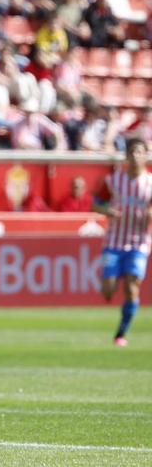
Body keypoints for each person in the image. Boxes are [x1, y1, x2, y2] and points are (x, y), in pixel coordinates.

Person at [92, 138, 152, 347]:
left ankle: (121, 333)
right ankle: (113, 279)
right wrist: (106, 211)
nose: (136, 156)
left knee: (132, 284)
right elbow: (96, 203)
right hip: (114, 241)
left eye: (140, 152)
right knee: (107, 290)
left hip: (139, 242)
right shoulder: (113, 181)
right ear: (126, 156)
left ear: (146, 156)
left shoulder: (150, 183)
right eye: (133, 152)